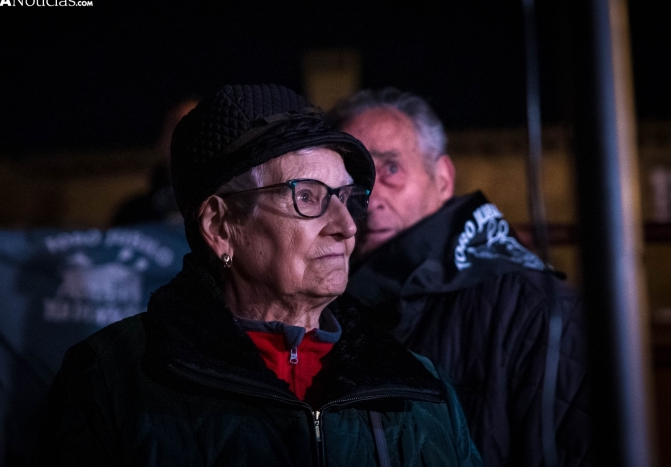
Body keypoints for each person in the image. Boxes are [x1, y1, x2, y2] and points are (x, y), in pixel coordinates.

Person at [33, 84, 483, 466]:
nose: (345, 226)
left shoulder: (420, 387)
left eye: (347, 198)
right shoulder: (112, 381)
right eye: (307, 196)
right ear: (220, 226)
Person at [328, 87, 591, 467]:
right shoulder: (330, 308)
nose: (369, 196)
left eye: (391, 168)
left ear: (443, 178)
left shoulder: (537, 309)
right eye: (352, 177)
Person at [111, 99, 198, 226]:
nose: (186, 136)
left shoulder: (228, 210)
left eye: (195, 126)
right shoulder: (133, 214)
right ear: (160, 142)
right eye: (176, 126)